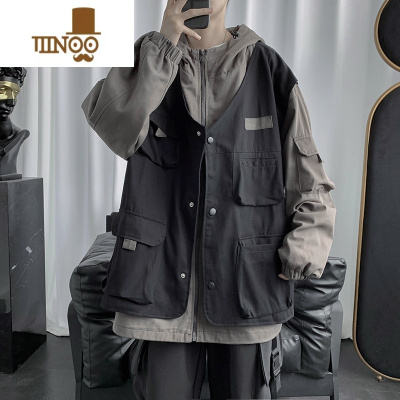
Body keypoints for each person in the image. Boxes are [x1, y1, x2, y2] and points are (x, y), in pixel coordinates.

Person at [81, 0, 337, 398]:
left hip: (247, 288)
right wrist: (164, 46)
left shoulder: (269, 69)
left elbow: (308, 174)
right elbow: (115, 128)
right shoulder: (149, 58)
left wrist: (304, 248)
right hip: (158, 289)